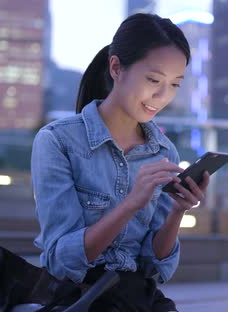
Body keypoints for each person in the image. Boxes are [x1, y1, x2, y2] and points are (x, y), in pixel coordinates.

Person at [30, 13, 209, 311]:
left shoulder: (165, 152)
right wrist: (131, 204)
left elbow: (155, 263)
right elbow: (61, 262)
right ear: (116, 68)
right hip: (80, 295)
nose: (162, 96)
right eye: (153, 80)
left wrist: (178, 211)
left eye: (175, 84)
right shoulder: (58, 141)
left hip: (138, 294)